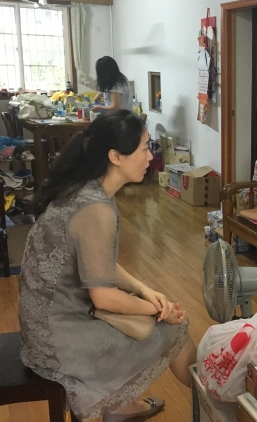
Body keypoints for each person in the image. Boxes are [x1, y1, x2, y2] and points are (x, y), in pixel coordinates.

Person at [18, 110, 196, 422]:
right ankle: (212, 401)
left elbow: (97, 263)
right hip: (57, 340)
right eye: (145, 148)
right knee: (176, 328)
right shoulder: (96, 209)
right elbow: (103, 297)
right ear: (115, 156)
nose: (150, 157)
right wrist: (160, 310)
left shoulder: (85, 188)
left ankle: (120, 407)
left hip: (42, 326)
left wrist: (142, 289)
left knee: (151, 315)